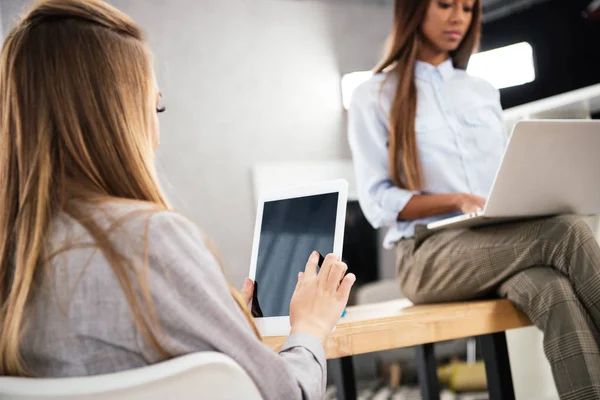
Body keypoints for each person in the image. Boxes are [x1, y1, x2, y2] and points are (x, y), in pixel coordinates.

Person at [0, 1, 357, 399]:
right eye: (156, 107)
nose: (156, 133)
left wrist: (215, 319)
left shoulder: (13, 255)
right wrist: (309, 327)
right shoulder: (146, 240)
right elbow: (286, 394)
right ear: (118, 121)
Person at [348, 0, 600, 397]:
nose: (458, 19)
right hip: (427, 254)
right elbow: (377, 202)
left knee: (553, 290)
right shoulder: (374, 94)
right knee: (567, 232)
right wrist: (457, 199)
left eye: (467, 8)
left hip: (497, 240)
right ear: (413, 10)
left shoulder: (481, 91)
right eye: (446, 4)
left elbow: (501, 174)